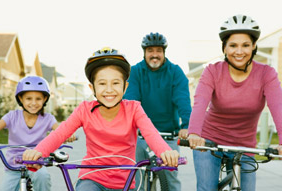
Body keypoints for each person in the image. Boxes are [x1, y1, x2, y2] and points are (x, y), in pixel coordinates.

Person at [22, 47, 180, 191]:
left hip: (127, 181)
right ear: (92, 88)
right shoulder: (84, 109)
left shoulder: (134, 109)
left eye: (116, 83)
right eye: (102, 83)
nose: (109, 90)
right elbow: (60, 133)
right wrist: (38, 152)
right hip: (92, 178)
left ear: (125, 87)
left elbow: (151, 134)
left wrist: (165, 152)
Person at [187, 14, 282, 191]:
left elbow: (278, 107)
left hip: (244, 146)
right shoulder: (212, 71)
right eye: (233, 45)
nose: (239, 51)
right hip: (209, 142)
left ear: (254, 46)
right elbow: (200, 103)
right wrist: (194, 133)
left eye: (245, 45)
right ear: (224, 48)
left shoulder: (266, 74)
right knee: (207, 188)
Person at [123, 32, 192, 191]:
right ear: (144, 52)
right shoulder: (135, 72)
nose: (155, 55)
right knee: (137, 177)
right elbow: (132, 101)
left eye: (158, 51)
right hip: (140, 134)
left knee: (171, 178)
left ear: (164, 52)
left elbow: (182, 99)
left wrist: (186, 125)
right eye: (150, 51)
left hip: (168, 134)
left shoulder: (175, 72)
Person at [0, 76, 69, 191]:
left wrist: (68, 134)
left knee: (43, 177)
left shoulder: (48, 118)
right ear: (21, 98)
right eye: (28, 98)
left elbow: (60, 131)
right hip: (13, 166)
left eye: (38, 99)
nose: (33, 103)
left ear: (44, 99)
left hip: (36, 163)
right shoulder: (12, 116)